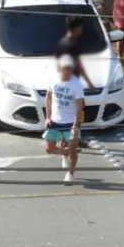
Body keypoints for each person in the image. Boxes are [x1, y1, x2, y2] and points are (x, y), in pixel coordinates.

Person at [43, 54, 85, 185]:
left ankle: (70, 174)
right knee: (48, 148)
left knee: (73, 146)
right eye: (64, 69)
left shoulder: (76, 84)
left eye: (69, 69)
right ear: (59, 68)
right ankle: (65, 153)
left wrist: (75, 125)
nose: (66, 72)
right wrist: (47, 117)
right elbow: (48, 98)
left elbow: (80, 106)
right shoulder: (53, 80)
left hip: (70, 121)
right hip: (55, 121)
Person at [56, 16, 94, 148]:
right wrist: (89, 83)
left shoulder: (62, 42)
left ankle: (75, 138)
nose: (82, 30)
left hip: (67, 83)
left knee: (76, 111)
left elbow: (58, 65)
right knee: (76, 111)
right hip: (72, 84)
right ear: (76, 27)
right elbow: (79, 66)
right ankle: (67, 141)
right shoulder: (72, 44)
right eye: (81, 27)